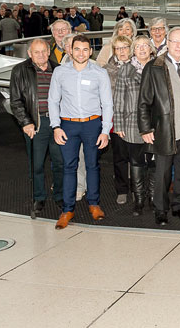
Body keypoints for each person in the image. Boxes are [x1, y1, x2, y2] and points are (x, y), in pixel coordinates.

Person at [138, 27, 180, 226]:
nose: (179, 45)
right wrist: (146, 128)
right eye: (175, 41)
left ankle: (179, 207)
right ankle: (161, 209)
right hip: (164, 129)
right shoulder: (153, 67)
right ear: (167, 42)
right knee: (162, 174)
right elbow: (144, 101)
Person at [49, 35, 113, 229]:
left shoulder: (99, 73)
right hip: (68, 125)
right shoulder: (60, 72)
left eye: (85, 49)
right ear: (70, 50)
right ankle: (68, 209)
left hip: (92, 125)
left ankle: (94, 204)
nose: (81, 53)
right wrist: (55, 126)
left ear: (90, 51)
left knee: (93, 165)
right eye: (77, 49)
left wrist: (105, 131)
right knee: (70, 167)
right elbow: (53, 101)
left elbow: (107, 103)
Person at [9, 38, 64, 213]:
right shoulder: (19, 71)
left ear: (49, 52)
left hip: (58, 124)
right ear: (30, 54)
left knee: (60, 162)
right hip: (35, 124)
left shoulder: (59, 70)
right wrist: (26, 122)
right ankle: (39, 198)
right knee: (37, 164)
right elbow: (16, 101)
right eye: (36, 52)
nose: (40, 55)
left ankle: (60, 196)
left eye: (43, 51)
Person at [113, 35, 155, 216]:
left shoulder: (159, 67)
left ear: (151, 48)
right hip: (131, 124)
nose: (142, 49)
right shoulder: (125, 70)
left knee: (154, 162)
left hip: (156, 124)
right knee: (136, 162)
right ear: (133, 50)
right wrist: (119, 124)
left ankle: (153, 198)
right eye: (138, 46)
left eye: (145, 45)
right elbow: (119, 100)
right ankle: (139, 199)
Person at [104, 35, 133, 205]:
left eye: (125, 47)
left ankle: (138, 188)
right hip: (117, 119)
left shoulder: (139, 66)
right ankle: (122, 189)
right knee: (120, 156)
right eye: (118, 48)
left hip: (136, 120)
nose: (122, 51)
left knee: (138, 157)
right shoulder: (107, 70)